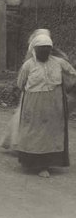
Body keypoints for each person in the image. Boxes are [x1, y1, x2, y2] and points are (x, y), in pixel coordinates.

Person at [16, 30, 76, 177]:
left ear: (51, 49)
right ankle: (34, 164)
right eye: (41, 48)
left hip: (54, 103)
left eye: (47, 48)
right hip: (33, 103)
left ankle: (46, 165)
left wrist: (67, 86)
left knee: (51, 133)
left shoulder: (59, 62)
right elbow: (20, 83)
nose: (44, 50)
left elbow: (72, 74)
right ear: (34, 49)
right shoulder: (28, 65)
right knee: (34, 132)